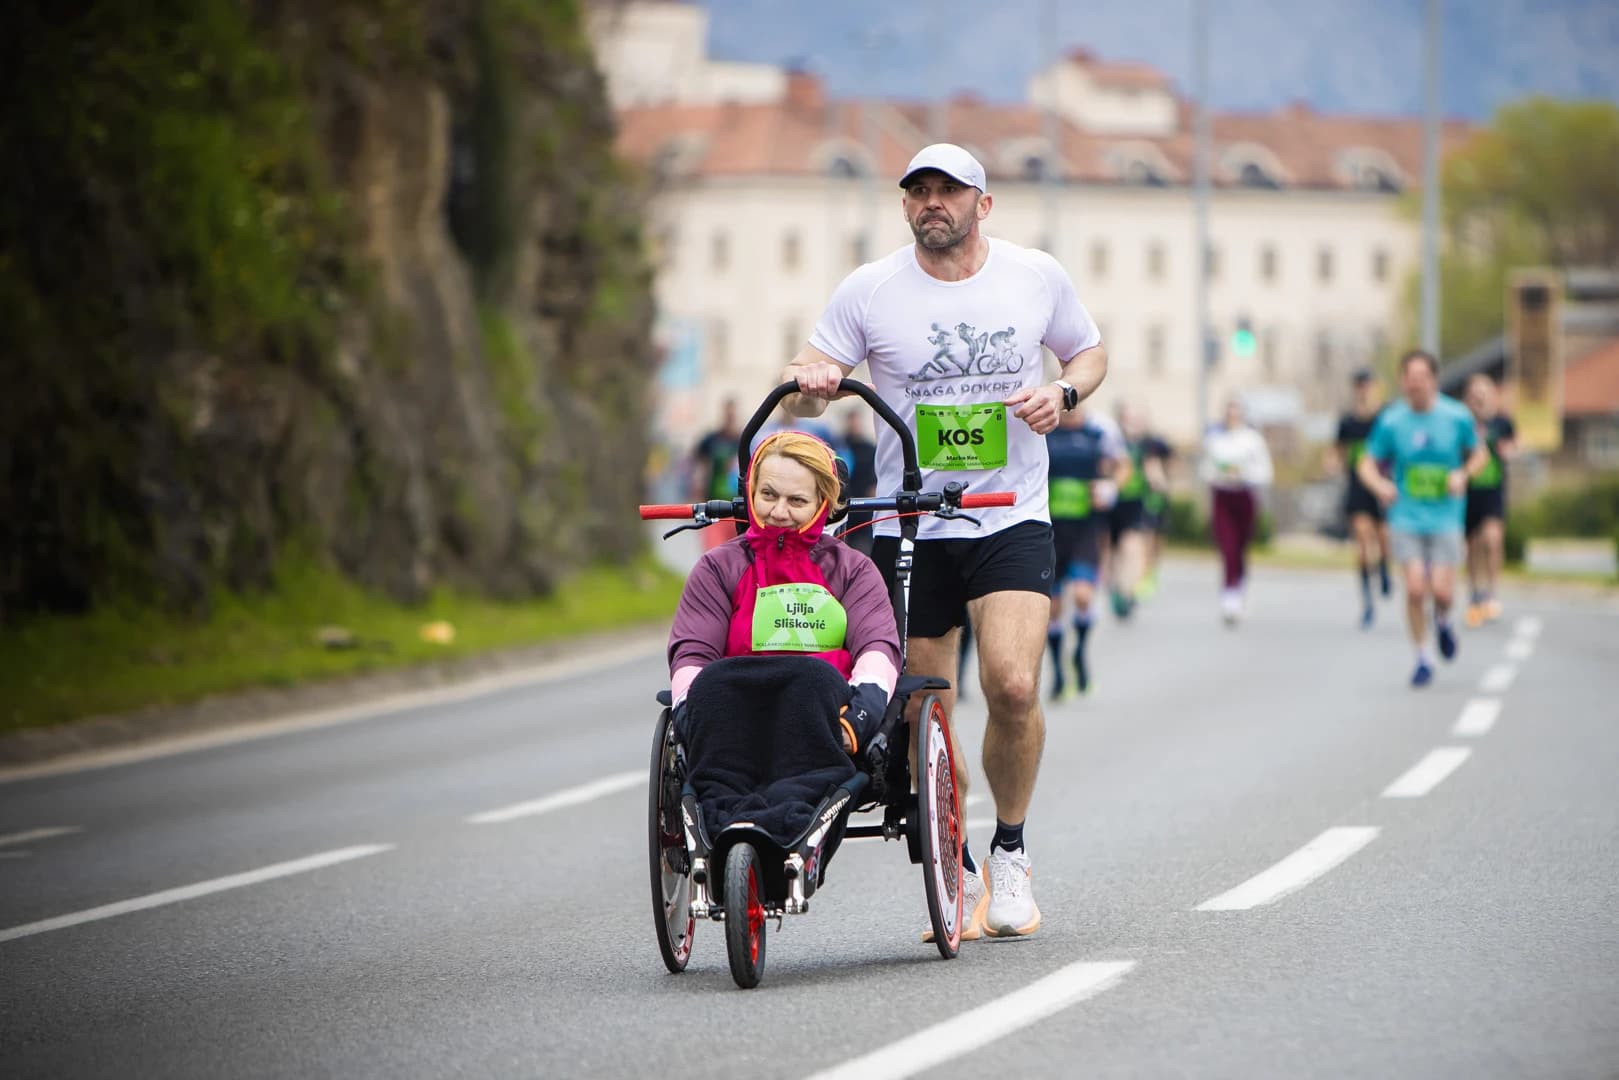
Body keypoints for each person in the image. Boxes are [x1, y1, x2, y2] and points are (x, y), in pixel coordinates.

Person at [783, 142, 1108, 940]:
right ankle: (955, 863)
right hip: (907, 525)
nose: (933, 202)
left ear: (982, 205)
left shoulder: (1033, 275)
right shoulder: (870, 290)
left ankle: (1011, 851)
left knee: (1013, 685)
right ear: (904, 207)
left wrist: (1063, 391)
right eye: (918, 191)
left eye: (949, 191)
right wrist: (810, 383)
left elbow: (1089, 352)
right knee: (927, 710)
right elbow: (806, 387)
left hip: (1008, 511)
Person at [667, 429, 901, 753]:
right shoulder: (717, 568)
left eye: (797, 501)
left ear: (824, 504)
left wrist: (856, 721)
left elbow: (877, 649)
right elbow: (693, 655)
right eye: (768, 495)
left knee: (813, 680)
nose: (778, 512)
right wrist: (696, 723)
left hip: (823, 727)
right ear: (750, 493)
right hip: (736, 725)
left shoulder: (853, 571)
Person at [1357, 349, 1490, 687]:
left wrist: (1463, 475)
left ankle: (1443, 622)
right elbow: (1366, 462)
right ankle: (1422, 657)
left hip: (1446, 515)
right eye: (1409, 378)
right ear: (1402, 381)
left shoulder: (1456, 416)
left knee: (1443, 593)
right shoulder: (1392, 421)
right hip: (1406, 515)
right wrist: (1380, 485)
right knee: (1415, 588)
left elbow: (1480, 454)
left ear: (1433, 380)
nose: (1414, 384)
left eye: (1421, 377)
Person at [1045, 402, 1122, 698]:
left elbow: (1121, 464)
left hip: (1085, 530)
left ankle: (1079, 651)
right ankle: (1058, 673)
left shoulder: (1097, 434)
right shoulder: (1046, 432)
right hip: (1050, 531)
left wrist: (1111, 486)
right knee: (1053, 608)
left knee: (1083, 596)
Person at [1200, 398, 1273, 625]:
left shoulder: (1252, 440)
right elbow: (1205, 469)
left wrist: (1244, 474)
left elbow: (1265, 471)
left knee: (1241, 545)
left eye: (1236, 412)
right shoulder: (1215, 440)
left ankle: (1240, 585)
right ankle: (1229, 595)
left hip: (1244, 495)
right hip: (1222, 496)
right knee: (1227, 546)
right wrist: (1220, 475)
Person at [1335, 369, 1393, 629]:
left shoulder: (1386, 418)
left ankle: (1384, 568)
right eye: (1360, 386)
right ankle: (1367, 602)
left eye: (1368, 385)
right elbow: (1338, 450)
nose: (1364, 390)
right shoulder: (1348, 421)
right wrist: (1333, 463)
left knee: (1383, 539)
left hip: (1382, 486)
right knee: (1362, 541)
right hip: (1357, 487)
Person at [1462, 373, 1516, 627]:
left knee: (1492, 540)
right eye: (1475, 393)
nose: (1479, 397)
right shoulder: (1462, 423)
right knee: (1472, 545)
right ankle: (1475, 594)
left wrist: (1509, 450)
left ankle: (1493, 593)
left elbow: (1514, 445)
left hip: (1493, 489)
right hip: (1468, 491)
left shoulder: (1502, 422)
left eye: (1483, 392)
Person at [1107, 403, 1167, 617]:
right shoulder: (1112, 442)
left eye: (1137, 419)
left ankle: (1127, 592)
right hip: (1111, 504)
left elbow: (1153, 469)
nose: (1134, 423)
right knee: (1113, 552)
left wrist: (1158, 482)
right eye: (1129, 419)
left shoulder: (1146, 446)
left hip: (1134, 504)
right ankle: (1115, 587)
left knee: (1131, 547)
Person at [689, 399, 742, 551]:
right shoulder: (711, 440)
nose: (730, 418)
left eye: (733, 414)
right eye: (727, 414)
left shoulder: (743, 440)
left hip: (738, 509)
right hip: (713, 506)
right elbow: (699, 469)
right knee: (713, 551)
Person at [839, 409, 880, 556]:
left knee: (862, 549)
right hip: (843, 505)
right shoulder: (840, 446)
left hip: (864, 507)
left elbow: (874, 476)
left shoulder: (869, 448)